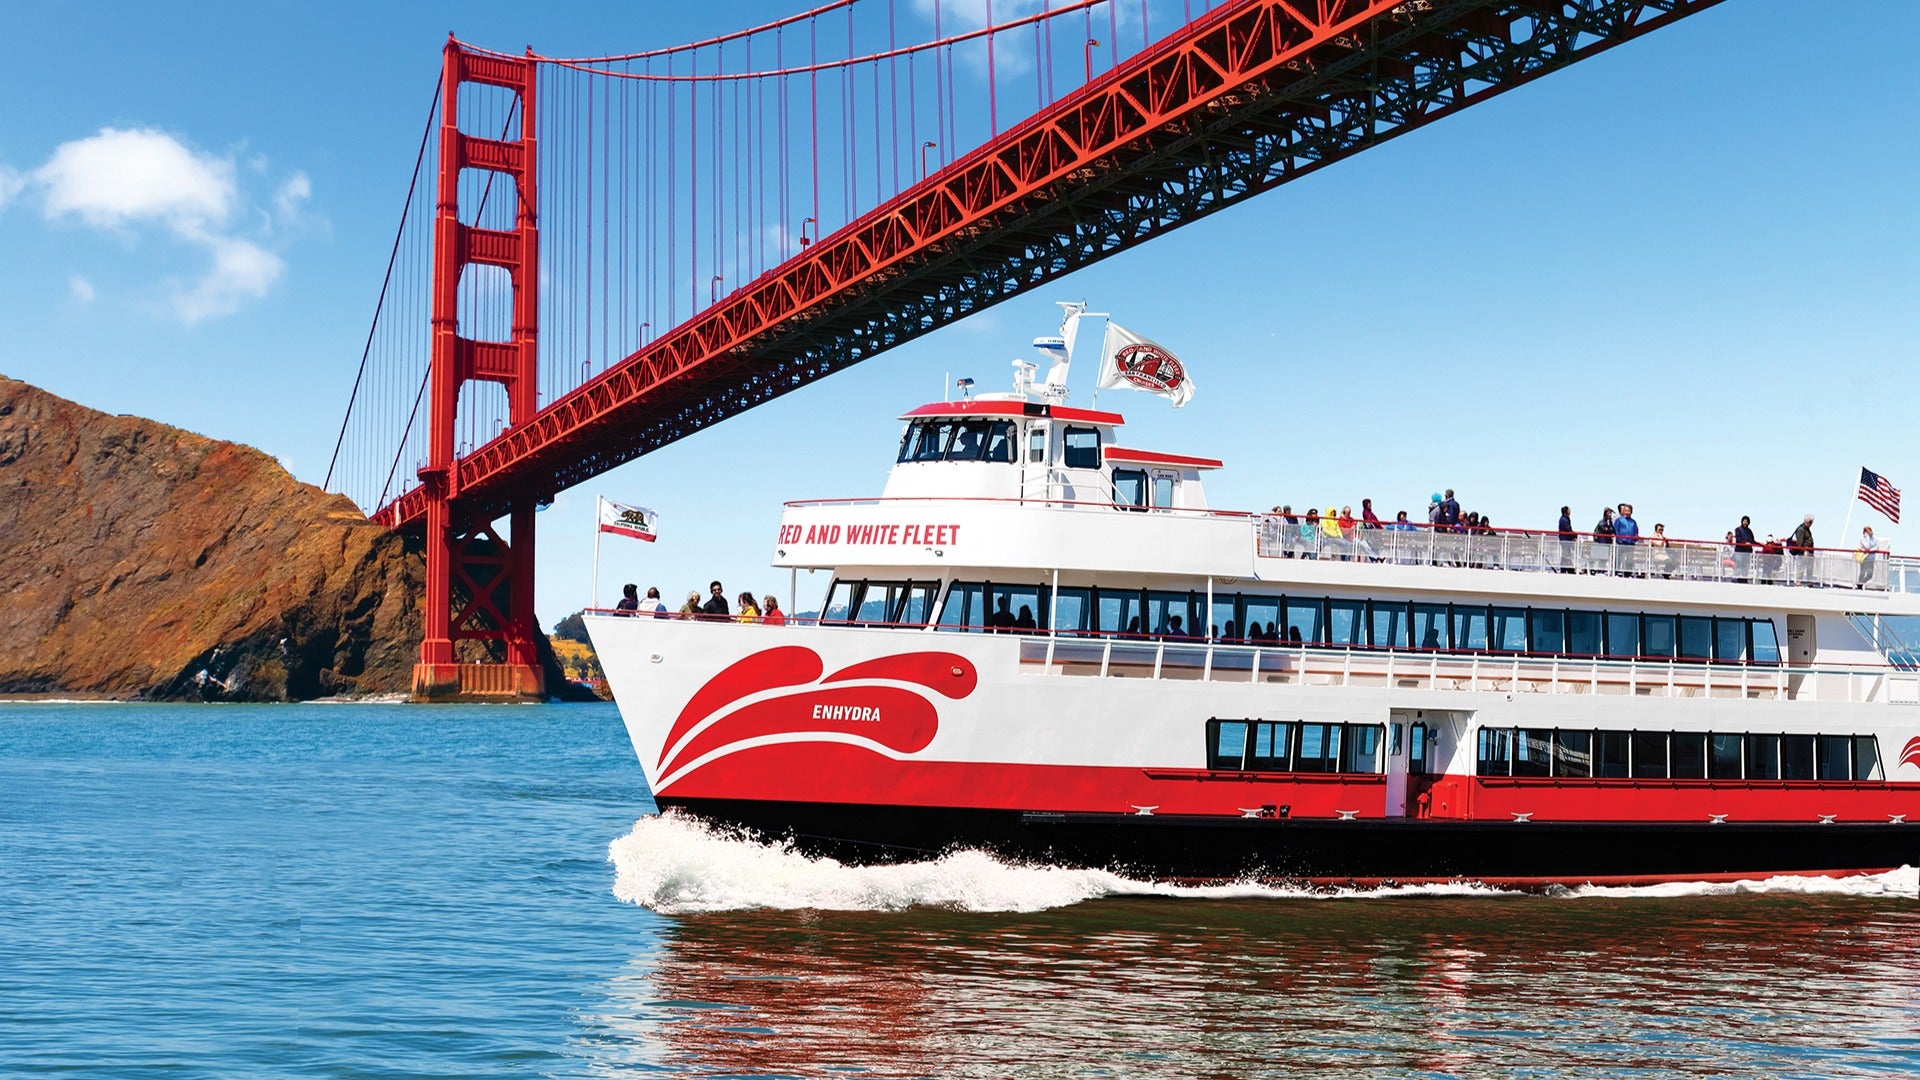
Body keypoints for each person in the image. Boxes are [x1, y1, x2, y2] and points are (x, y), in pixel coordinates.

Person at [1613, 503, 1640, 575]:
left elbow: (1636, 531)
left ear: (1631, 512)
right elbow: (1616, 530)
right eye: (1626, 510)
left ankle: (1628, 574)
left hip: (1630, 543)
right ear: (1623, 511)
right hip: (1621, 542)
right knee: (1618, 558)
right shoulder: (1619, 520)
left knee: (1630, 559)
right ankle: (1616, 572)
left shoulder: (1633, 522)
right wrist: (1619, 540)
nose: (1627, 512)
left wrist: (1635, 539)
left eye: (1629, 511)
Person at [1788, 515, 1815, 583]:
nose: (1811, 524)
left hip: (1809, 551)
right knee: (1801, 567)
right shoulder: (1801, 529)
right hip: (1805, 552)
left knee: (1810, 568)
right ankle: (1798, 581)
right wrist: (1804, 550)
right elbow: (1799, 543)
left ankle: (1809, 581)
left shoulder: (1806, 529)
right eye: (1810, 522)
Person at [1733, 515, 1756, 583]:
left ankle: (1744, 579)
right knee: (1739, 565)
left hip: (1747, 552)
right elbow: (1738, 539)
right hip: (1740, 551)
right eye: (1744, 521)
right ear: (1742, 522)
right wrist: (1745, 543)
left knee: (1746, 566)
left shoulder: (1749, 531)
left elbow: (1752, 540)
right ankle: (1736, 579)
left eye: (1746, 521)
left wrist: (1761, 544)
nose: (1745, 523)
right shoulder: (1738, 529)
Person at [1592, 507, 1615, 574]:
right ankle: (1600, 570)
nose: (1610, 514)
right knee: (1601, 557)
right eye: (1609, 513)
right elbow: (1603, 529)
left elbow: (1613, 530)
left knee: (1606, 557)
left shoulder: (1610, 522)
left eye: (1610, 513)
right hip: (1602, 541)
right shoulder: (1602, 522)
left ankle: (1603, 569)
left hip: (1608, 542)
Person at [1557, 506, 1576, 573]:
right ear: (1566, 512)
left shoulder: (1566, 519)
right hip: (1565, 540)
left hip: (1566, 540)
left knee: (1566, 555)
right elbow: (1568, 530)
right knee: (1566, 555)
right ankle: (1567, 570)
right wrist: (1575, 535)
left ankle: (1567, 569)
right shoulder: (1564, 520)